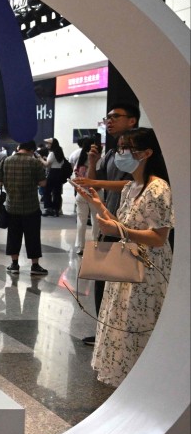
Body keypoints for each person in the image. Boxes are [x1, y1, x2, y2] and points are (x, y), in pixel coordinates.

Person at [74, 128, 172, 387]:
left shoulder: (158, 189)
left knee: (138, 324)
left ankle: (144, 382)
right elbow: (121, 223)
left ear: (147, 153)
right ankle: (127, 381)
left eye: (126, 149)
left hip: (147, 271)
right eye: (119, 149)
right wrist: (98, 204)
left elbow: (159, 237)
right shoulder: (131, 187)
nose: (120, 154)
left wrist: (119, 230)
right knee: (122, 323)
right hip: (126, 267)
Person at [73, 102, 139, 343]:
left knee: (123, 283)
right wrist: (92, 161)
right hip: (108, 221)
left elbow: (135, 184)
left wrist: (100, 185)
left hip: (129, 224)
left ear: (132, 120)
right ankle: (103, 331)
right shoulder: (112, 154)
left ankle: (118, 334)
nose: (109, 121)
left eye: (116, 117)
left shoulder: (140, 153)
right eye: (107, 117)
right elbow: (95, 182)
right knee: (102, 280)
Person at [0, 140, 48, 276]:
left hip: (12, 205)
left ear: (19, 147)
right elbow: (43, 183)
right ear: (32, 149)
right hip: (31, 206)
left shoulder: (6, 161)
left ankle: (14, 264)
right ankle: (35, 266)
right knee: (33, 236)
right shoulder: (35, 162)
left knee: (13, 235)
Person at [69, 136, 95, 253]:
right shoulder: (96, 158)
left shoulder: (77, 157)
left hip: (81, 191)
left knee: (81, 220)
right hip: (95, 192)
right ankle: (95, 244)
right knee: (96, 220)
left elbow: (73, 174)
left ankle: (80, 246)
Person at [40, 137, 66, 217]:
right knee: (57, 192)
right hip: (60, 173)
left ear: (52, 144)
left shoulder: (52, 153)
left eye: (48, 143)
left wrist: (40, 159)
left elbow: (47, 164)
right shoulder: (60, 152)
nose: (47, 145)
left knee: (46, 191)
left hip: (53, 173)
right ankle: (56, 210)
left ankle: (48, 208)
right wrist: (46, 159)